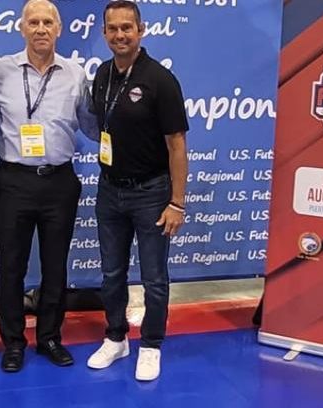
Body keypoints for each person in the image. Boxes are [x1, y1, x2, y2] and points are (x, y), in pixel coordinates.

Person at [0, 0, 97, 373]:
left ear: (59, 29)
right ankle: (13, 343)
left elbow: (91, 124)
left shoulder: (75, 74)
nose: (40, 29)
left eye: (48, 22)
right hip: (14, 181)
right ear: (21, 28)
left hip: (59, 181)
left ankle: (50, 337)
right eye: (33, 22)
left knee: (55, 265)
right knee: (11, 266)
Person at [86, 0, 189, 381]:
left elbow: (177, 145)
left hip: (151, 193)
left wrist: (177, 202)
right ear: (104, 33)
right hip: (109, 190)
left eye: (126, 27)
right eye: (112, 28)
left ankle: (150, 344)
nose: (120, 35)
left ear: (141, 30)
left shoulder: (160, 80)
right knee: (111, 273)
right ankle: (116, 337)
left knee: (153, 277)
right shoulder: (102, 74)